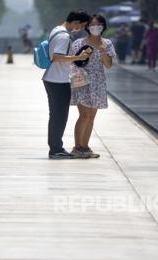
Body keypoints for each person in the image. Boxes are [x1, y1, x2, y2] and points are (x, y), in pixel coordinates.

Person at [42, 10, 90, 159]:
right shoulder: (64, 35)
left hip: (52, 78)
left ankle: (55, 147)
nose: (80, 29)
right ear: (75, 22)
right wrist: (78, 57)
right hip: (59, 80)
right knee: (59, 116)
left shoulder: (56, 30)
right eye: (81, 26)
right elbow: (56, 57)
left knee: (55, 115)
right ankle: (56, 149)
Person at [69, 14, 115, 158]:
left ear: (103, 26)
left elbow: (108, 65)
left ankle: (85, 146)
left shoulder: (107, 44)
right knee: (84, 114)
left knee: (91, 117)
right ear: (87, 27)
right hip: (81, 81)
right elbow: (71, 62)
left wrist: (103, 52)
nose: (96, 27)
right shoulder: (78, 43)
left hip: (98, 83)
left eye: (99, 24)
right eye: (93, 24)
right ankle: (77, 147)